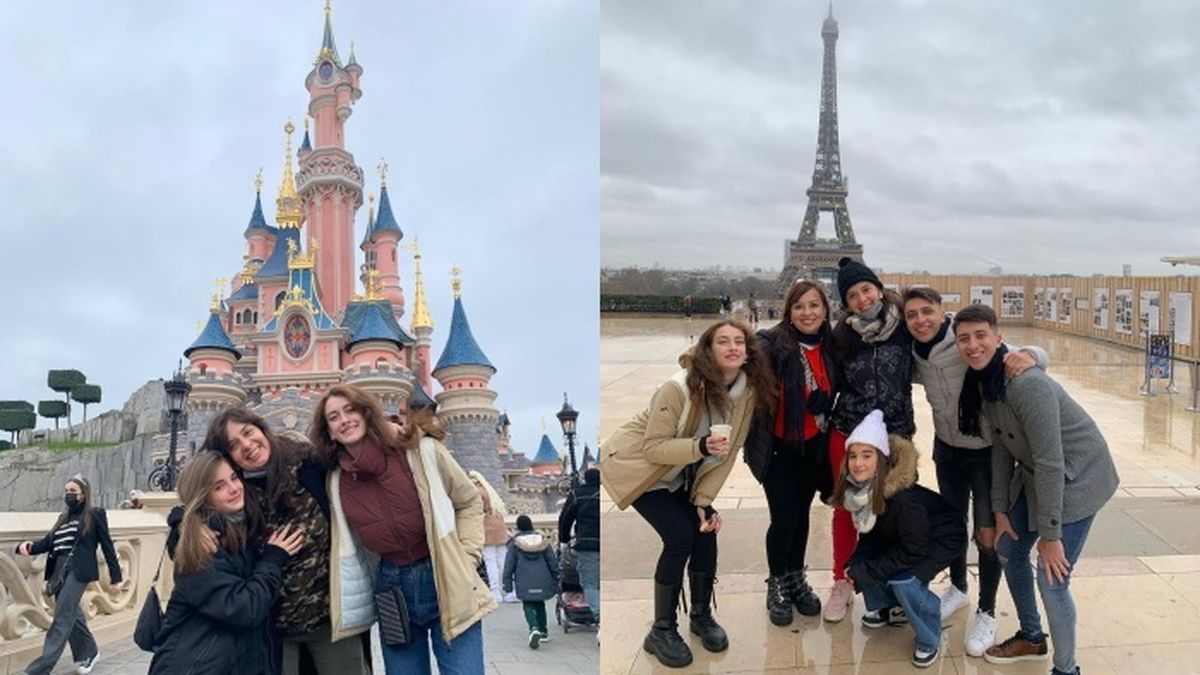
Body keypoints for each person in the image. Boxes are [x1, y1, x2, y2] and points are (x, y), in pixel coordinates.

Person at [600, 319, 776, 668]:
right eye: (722, 342)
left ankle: (700, 614)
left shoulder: (747, 392)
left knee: (705, 530)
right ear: (708, 351)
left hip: (681, 474)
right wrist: (700, 445)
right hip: (642, 472)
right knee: (679, 537)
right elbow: (653, 449)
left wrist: (703, 502)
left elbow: (728, 453)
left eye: (739, 342)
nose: (732, 348)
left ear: (748, 351)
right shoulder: (677, 388)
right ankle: (661, 629)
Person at [954, 305, 1119, 675]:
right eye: (964, 338)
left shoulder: (1029, 385)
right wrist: (999, 510)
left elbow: (1050, 461)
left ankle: (1066, 669)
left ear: (999, 338)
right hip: (1037, 477)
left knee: (1053, 578)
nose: (973, 345)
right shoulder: (987, 384)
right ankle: (1031, 636)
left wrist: (1050, 534)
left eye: (981, 335)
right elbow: (1000, 448)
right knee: (1010, 549)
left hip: (1078, 479)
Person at [311, 384, 495, 675]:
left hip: (445, 574)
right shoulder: (335, 479)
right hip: (391, 587)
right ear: (329, 431)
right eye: (333, 417)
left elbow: (469, 502)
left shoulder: (421, 450)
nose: (344, 420)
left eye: (350, 410)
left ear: (368, 413)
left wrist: (467, 556)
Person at [903, 286, 1046, 656]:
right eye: (912, 315)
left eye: (927, 312)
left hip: (985, 455)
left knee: (987, 534)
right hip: (947, 450)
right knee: (952, 524)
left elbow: (1018, 355)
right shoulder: (915, 354)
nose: (920, 320)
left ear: (941, 313)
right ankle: (960, 589)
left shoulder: (966, 340)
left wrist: (1031, 353)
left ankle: (986, 609)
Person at [202, 408, 372, 675]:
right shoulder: (236, 493)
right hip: (272, 631)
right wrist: (182, 524)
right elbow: (195, 499)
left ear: (260, 428)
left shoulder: (310, 464)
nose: (247, 445)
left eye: (248, 432)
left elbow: (364, 458)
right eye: (234, 445)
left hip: (330, 622)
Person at [150, 452, 305, 675]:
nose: (234, 488)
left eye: (234, 478)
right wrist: (272, 559)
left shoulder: (237, 528)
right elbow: (244, 608)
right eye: (219, 487)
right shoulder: (203, 546)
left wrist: (179, 518)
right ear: (203, 497)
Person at [834, 410, 966, 668]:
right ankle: (892, 608)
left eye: (867, 455)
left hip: (942, 538)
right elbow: (871, 539)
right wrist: (856, 564)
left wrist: (867, 570)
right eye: (853, 456)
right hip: (908, 539)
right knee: (863, 564)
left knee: (904, 579)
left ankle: (929, 633)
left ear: (882, 461)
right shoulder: (863, 491)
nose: (858, 463)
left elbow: (912, 552)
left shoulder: (904, 502)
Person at [823, 257, 915, 622]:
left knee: (894, 513)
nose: (862, 299)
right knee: (846, 510)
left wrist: (1026, 355)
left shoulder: (906, 326)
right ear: (845, 303)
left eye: (866, 289)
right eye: (852, 295)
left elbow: (946, 340)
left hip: (895, 437)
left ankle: (891, 585)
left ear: (878, 288)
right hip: (848, 432)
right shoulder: (842, 336)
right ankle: (842, 581)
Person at [744, 280, 834, 626]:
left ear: (825, 310)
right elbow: (734, 362)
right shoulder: (771, 345)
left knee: (802, 517)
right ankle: (777, 581)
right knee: (784, 517)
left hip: (813, 447)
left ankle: (796, 577)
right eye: (799, 306)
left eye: (814, 305)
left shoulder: (830, 347)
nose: (807, 312)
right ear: (789, 312)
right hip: (779, 448)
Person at [16, 475, 121, 675]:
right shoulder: (63, 518)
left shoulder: (95, 514)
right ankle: (90, 652)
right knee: (72, 615)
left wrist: (116, 576)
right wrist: (28, 548)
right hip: (58, 570)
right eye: (66, 491)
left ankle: (40, 669)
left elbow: (107, 545)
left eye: (73, 491)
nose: (69, 495)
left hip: (78, 569)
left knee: (61, 617)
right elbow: (49, 542)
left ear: (84, 494)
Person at [503, 514, 559, 649]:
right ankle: (543, 631)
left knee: (528, 604)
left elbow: (509, 565)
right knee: (540, 604)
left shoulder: (515, 544)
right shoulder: (543, 541)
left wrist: (507, 584)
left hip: (524, 579)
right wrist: (557, 577)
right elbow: (552, 561)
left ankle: (533, 627)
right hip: (542, 578)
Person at [559, 467, 601, 627]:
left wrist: (564, 538)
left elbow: (565, 518)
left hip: (588, 544)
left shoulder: (578, 494)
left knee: (590, 583)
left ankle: (599, 615)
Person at [470, 470, 513, 603]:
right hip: (499, 527)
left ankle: (495, 591)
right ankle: (508, 589)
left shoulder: (477, 492)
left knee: (490, 562)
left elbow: (475, 511)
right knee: (503, 561)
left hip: (487, 528)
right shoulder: (489, 490)